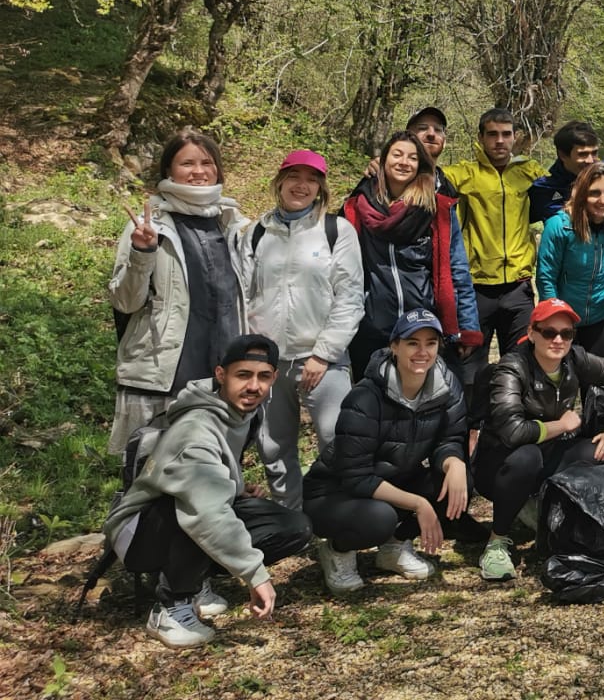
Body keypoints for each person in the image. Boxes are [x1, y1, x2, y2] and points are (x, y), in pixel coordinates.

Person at [103, 335, 312, 648]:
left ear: (274, 378)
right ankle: (171, 607)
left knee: (293, 527)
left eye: (263, 377)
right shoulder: (195, 429)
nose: (253, 387)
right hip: (138, 534)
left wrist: (236, 488)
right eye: (243, 375)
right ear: (220, 375)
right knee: (203, 513)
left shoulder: (244, 413)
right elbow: (205, 509)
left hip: (181, 512)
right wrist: (256, 576)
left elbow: (215, 475)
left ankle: (193, 579)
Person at [303, 310, 472, 592]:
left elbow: (450, 437)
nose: (422, 351)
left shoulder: (446, 385)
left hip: (395, 477)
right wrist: (418, 504)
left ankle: (393, 548)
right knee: (379, 518)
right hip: (334, 492)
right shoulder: (366, 397)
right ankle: (338, 550)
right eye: (412, 343)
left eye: (430, 343)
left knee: (458, 482)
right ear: (394, 347)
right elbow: (355, 476)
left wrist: (454, 463)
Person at [473, 299, 604, 581]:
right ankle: (496, 542)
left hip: (550, 455)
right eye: (549, 332)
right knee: (527, 457)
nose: (558, 340)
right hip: (501, 464)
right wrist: (560, 425)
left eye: (567, 333)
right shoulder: (511, 368)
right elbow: (512, 432)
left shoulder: (575, 359)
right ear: (532, 333)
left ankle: (571, 519)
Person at [109, 128, 250, 453]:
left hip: (221, 377)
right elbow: (125, 301)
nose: (199, 171)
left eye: (206, 162)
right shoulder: (148, 225)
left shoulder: (233, 224)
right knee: (150, 477)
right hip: (165, 373)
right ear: (168, 170)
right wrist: (142, 254)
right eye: (187, 163)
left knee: (213, 478)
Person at [243, 150, 363, 510]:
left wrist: (323, 354)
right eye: (295, 176)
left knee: (335, 439)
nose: (302, 185)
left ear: (321, 188)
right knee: (274, 445)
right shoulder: (257, 232)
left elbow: (350, 297)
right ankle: (289, 520)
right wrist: (253, 354)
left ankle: (337, 517)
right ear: (279, 182)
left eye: (312, 179)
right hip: (268, 360)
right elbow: (244, 295)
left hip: (323, 359)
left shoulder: (335, 231)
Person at [342, 131, 481, 379]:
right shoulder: (356, 207)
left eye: (412, 158)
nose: (404, 162)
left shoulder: (436, 209)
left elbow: (457, 268)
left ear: (420, 165)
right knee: (373, 408)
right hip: (371, 329)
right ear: (382, 160)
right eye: (397, 155)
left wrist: (467, 326)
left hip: (424, 328)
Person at [442, 108, 541, 433]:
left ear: (515, 137)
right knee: (471, 371)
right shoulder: (464, 174)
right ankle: (468, 438)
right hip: (475, 290)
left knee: (524, 366)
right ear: (481, 138)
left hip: (518, 289)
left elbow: (570, 183)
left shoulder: (528, 172)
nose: (500, 141)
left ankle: (513, 432)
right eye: (492, 134)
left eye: (506, 134)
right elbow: (421, 173)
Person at [535, 162, 604, 359]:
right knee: (564, 384)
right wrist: (555, 317)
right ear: (582, 193)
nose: (602, 200)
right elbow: (546, 277)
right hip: (564, 317)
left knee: (599, 384)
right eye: (594, 193)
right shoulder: (560, 226)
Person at [528, 120, 602, 223]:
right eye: (582, 154)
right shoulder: (543, 190)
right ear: (562, 155)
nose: (590, 161)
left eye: (594, 153)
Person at [404, 106, 459, 199]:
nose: (431, 134)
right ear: (407, 136)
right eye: (422, 128)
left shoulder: (450, 191)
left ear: (444, 142)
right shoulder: (388, 180)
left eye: (437, 130)